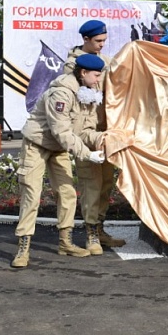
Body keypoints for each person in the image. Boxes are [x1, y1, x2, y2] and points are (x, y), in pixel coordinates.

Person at [11, 53, 107, 268]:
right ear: (83, 73)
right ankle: (23, 249)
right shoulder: (61, 93)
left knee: (67, 193)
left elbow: (85, 130)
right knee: (31, 194)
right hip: (37, 144)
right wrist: (87, 154)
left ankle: (65, 243)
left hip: (59, 148)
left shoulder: (90, 93)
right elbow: (60, 130)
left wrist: (102, 140)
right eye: (96, 75)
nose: (99, 79)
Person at [64, 19, 126, 255]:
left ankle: (99, 228)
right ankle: (90, 233)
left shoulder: (103, 62)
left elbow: (120, 71)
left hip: (105, 131)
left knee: (106, 183)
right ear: (86, 39)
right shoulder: (73, 67)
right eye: (98, 41)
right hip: (85, 134)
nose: (102, 45)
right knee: (92, 184)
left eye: (104, 41)